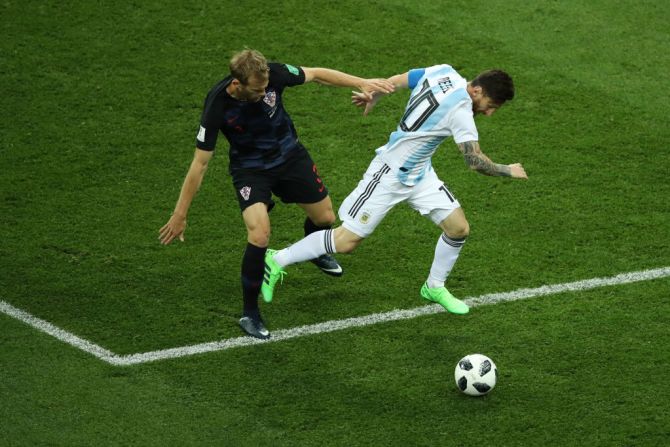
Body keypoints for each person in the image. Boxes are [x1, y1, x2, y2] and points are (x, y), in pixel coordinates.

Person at [158, 49, 394, 340]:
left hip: (290, 156)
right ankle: (250, 312)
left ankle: (315, 250)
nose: (264, 92)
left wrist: (363, 81)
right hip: (251, 170)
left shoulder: (273, 74)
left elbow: (318, 74)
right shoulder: (217, 104)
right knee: (259, 234)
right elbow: (200, 163)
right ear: (237, 83)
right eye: (257, 90)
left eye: (266, 86)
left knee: (325, 217)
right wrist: (180, 215)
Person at [262, 64, 527, 314]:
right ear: (477, 90)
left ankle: (434, 287)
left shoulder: (444, 71)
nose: (489, 113)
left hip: (420, 173)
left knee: (458, 228)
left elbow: (404, 79)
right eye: (490, 105)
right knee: (346, 241)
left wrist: (376, 92)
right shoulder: (460, 111)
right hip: (389, 173)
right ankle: (277, 259)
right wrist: (508, 170)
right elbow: (474, 161)